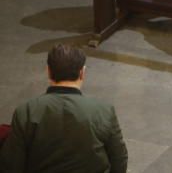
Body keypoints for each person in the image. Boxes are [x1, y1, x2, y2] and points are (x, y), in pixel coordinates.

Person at [0, 44, 127, 172]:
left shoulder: (25, 111)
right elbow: (119, 159)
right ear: (82, 73)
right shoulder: (104, 111)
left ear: (49, 71)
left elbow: (11, 165)